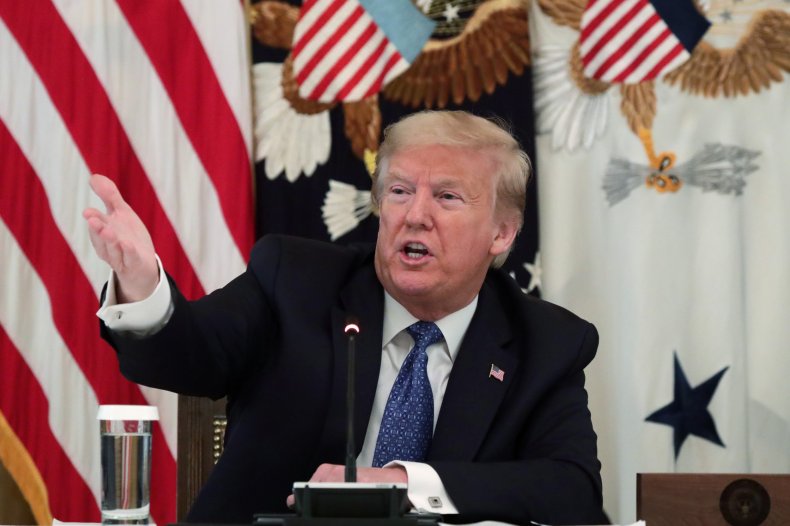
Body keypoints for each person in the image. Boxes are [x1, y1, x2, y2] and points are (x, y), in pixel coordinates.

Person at [84, 110, 608, 525]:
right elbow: (190, 355)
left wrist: (405, 483)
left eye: (446, 197)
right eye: (399, 191)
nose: (415, 214)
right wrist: (143, 285)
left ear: (502, 234)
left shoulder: (546, 342)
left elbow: (572, 490)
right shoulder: (295, 281)